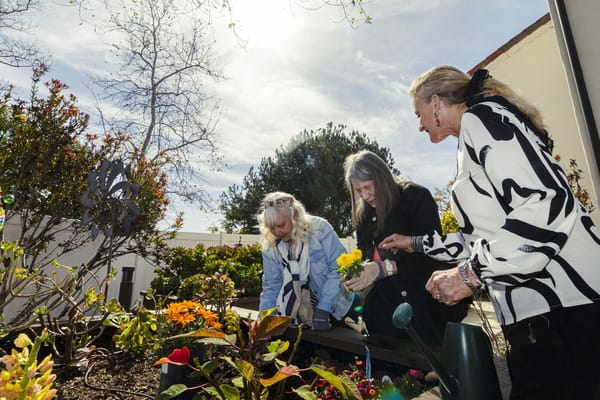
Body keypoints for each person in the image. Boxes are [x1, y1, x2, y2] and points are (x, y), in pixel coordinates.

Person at [378, 65, 600, 400]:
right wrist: (416, 243)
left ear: (436, 102)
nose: (420, 124)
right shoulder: (475, 135)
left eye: (419, 113)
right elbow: (480, 240)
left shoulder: (481, 119)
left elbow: (546, 202)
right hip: (542, 317)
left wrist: (470, 274)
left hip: (566, 311)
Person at [342, 150, 468, 345]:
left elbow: (432, 254)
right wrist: (358, 274)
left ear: (382, 177)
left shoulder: (415, 197)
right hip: (382, 315)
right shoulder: (363, 216)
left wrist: (382, 269)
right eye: (358, 190)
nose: (365, 196)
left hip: (423, 312)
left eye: (368, 187)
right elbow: (367, 256)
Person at [257, 191, 354, 330]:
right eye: (271, 227)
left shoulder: (320, 229)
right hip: (297, 315)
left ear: (295, 215)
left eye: (281, 225)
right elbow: (271, 285)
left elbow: (338, 268)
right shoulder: (270, 246)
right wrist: (266, 319)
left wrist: (324, 308)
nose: (276, 232)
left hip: (336, 308)